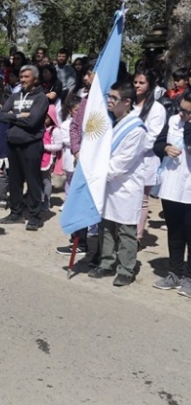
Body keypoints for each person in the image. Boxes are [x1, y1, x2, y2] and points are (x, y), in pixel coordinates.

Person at [88, 82, 147, 287]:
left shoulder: (136, 128)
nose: (109, 101)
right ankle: (106, 262)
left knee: (126, 230)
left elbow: (123, 162)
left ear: (127, 101)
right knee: (105, 225)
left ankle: (126, 268)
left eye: (114, 98)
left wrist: (97, 172)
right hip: (108, 184)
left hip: (125, 186)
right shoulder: (112, 121)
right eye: (109, 97)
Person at [0, 65, 50, 230]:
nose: (22, 80)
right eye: (21, 77)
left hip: (31, 144)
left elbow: (33, 121)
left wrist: (13, 116)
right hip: (13, 143)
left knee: (33, 181)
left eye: (26, 77)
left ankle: (34, 217)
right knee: (14, 181)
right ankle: (16, 213)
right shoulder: (14, 96)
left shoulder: (41, 98)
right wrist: (20, 116)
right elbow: (2, 115)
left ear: (35, 78)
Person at [152, 91, 191, 295]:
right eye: (181, 109)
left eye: (187, 112)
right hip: (172, 187)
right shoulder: (174, 120)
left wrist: (189, 127)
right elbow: (157, 144)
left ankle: (190, 278)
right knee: (175, 233)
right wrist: (166, 148)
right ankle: (174, 273)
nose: (181, 114)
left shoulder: (186, 125)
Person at [131, 70, 167, 249]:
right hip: (126, 161)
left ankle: (137, 236)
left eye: (141, 83)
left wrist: (131, 149)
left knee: (142, 200)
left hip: (145, 160)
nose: (137, 85)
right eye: (135, 82)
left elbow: (152, 137)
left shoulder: (157, 109)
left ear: (150, 85)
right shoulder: (129, 104)